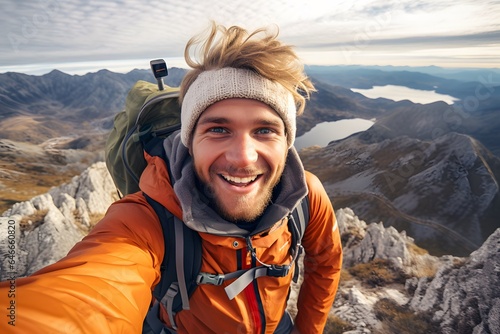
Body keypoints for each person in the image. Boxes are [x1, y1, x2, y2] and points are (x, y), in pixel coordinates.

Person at [0, 22, 342, 333]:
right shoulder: (146, 219)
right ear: (189, 141)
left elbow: (325, 262)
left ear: (287, 142)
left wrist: (308, 329)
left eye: (265, 130)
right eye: (218, 129)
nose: (243, 157)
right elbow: (84, 300)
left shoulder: (305, 195)